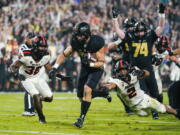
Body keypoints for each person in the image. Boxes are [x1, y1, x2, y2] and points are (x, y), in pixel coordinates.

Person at [49, 22, 109, 128]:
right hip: (85, 68)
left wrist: (90, 63)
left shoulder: (96, 42)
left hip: (96, 69)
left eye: (79, 35)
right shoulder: (76, 42)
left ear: (86, 34)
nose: (77, 37)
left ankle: (81, 119)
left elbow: (101, 62)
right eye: (76, 34)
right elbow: (63, 54)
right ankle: (100, 93)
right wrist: (54, 68)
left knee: (87, 89)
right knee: (81, 96)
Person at [111, 3, 166, 119]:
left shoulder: (150, 35)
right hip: (135, 70)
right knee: (143, 92)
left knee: (155, 92)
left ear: (145, 31)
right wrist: (115, 18)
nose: (140, 34)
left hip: (148, 68)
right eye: (138, 32)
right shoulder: (131, 37)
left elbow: (161, 28)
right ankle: (147, 110)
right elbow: (118, 31)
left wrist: (162, 15)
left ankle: (155, 110)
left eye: (142, 32)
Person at [102, 59, 180, 118]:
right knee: (147, 114)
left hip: (144, 99)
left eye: (124, 70)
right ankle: (156, 110)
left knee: (162, 108)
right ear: (117, 72)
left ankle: (177, 113)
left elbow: (147, 73)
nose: (122, 72)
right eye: (120, 71)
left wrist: (142, 72)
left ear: (128, 69)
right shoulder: (116, 80)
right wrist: (105, 88)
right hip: (135, 108)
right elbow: (111, 85)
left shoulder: (134, 72)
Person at [10, 35, 53, 124]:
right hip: (26, 78)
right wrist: (14, 72)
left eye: (44, 47)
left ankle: (38, 100)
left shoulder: (46, 56)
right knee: (36, 95)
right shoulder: (26, 55)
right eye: (41, 46)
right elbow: (13, 66)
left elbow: (50, 70)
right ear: (35, 46)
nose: (43, 49)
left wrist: (60, 76)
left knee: (49, 98)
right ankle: (41, 117)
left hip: (37, 78)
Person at [107, 17, 137, 114]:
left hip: (133, 64)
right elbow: (111, 47)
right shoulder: (122, 36)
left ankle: (136, 105)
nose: (130, 29)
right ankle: (127, 107)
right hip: (121, 65)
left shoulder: (139, 37)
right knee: (119, 87)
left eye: (132, 27)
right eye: (128, 27)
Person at [20, 32, 36, 116]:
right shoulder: (23, 47)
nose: (32, 41)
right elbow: (25, 58)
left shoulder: (34, 46)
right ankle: (28, 110)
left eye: (33, 39)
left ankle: (32, 109)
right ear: (27, 38)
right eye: (30, 39)